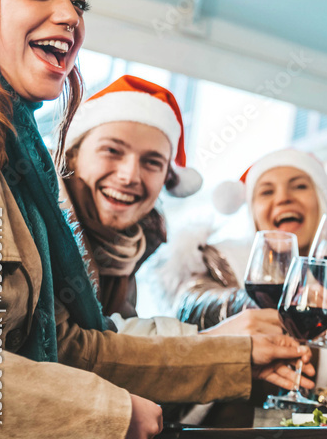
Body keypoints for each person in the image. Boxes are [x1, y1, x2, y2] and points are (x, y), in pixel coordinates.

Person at [0, 0, 312, 439]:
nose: (69, 14)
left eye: (78, 1)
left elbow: (67, 346)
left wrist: (233, 356)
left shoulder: (11, 164)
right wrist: (103, 413)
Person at [149, 148, 327, 418]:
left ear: (323, 204)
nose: (283, 198)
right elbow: (191, 306)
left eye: (299, 186)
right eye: (266, 191)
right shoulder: (217, 260)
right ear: (252, 212)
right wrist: (272, 302)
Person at [61, 74, 281, 337]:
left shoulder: (130, 247)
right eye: (112, 150)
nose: (129, 176)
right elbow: (73, 348)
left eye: (152, 162)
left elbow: (115, 341)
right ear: (72, 154)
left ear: (167, 177)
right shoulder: (37, 224)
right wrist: (218, 341)